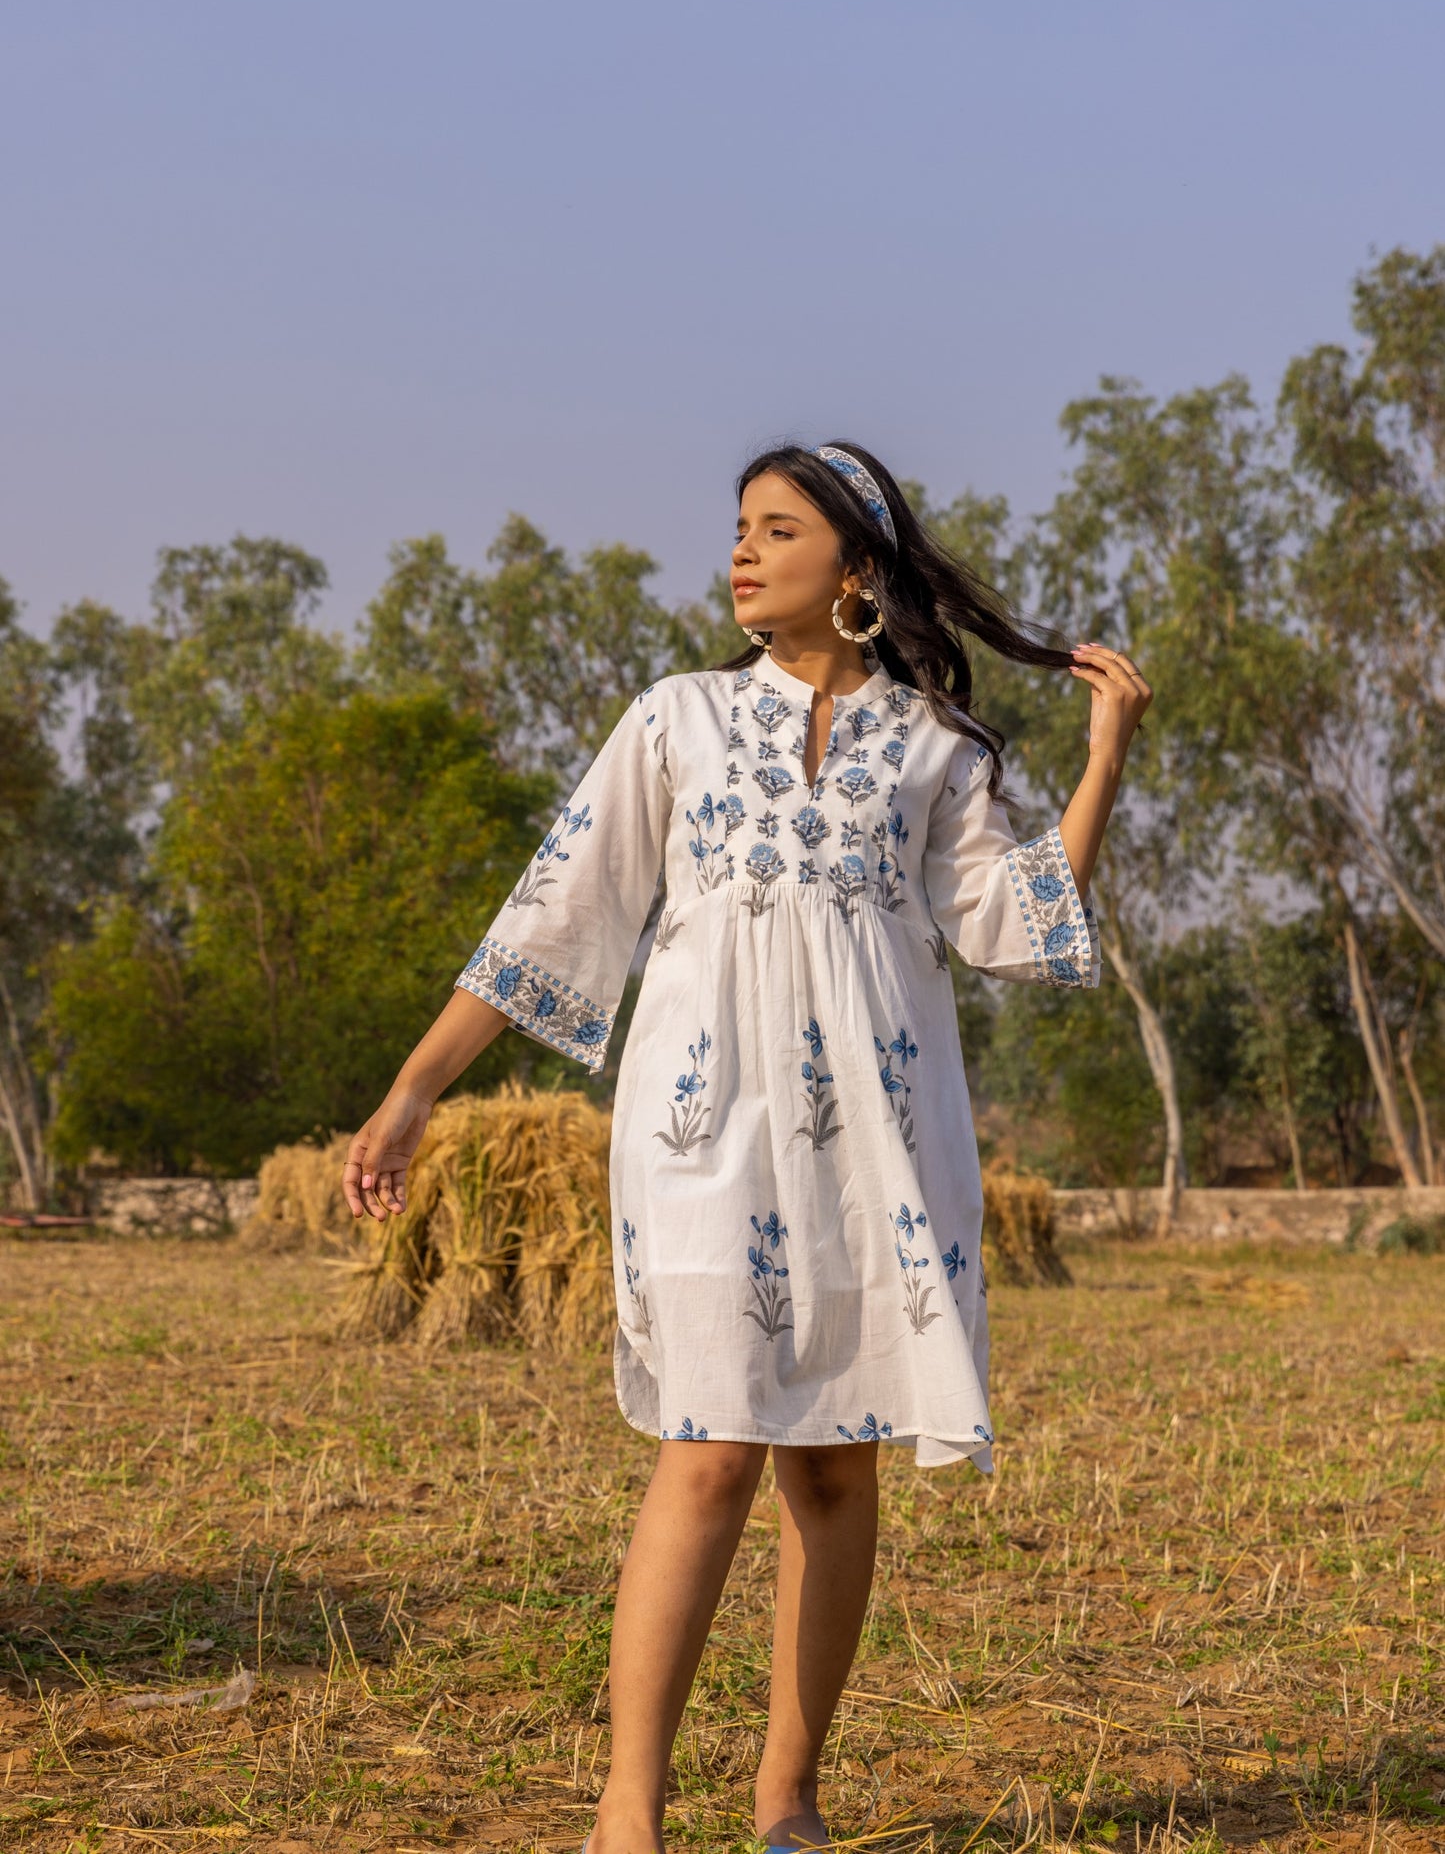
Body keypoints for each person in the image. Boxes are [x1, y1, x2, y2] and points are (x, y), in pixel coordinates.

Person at [342, 440, 1151, 1854]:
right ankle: (627, 1813)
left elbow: (1014, 929)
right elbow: (552, 923)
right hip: (698, 1132)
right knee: (708, 1449)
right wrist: (412, 1092)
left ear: (855, 570)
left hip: (879, 1149)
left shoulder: (933, 749)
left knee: (836, 1468)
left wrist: (1103, 760)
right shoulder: (676, 721)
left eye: (775, 531)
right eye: (736, 528)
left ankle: (789, 1799)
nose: (738, 553)